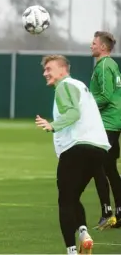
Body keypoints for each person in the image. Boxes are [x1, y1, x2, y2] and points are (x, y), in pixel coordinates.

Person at [35, 55, 111, 254]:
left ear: (62, 70)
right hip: (99, 149)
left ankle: (71, 250)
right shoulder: (81, 86)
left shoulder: (64, 86)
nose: (45, 73)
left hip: (77, 148)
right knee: (73, 197)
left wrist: (52, 125)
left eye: (49, 69)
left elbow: (73, 113)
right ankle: (84, 233)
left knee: (65, 201)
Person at [90, 31, 121, 229]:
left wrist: (85, 104)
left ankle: (107, 213)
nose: (90, 45)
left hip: (107, 124)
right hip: (114, 122)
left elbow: (106, 96)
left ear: (102, 47)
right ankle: (118, 213)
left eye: (93, 43)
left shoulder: (103, 66)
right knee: (110, 169)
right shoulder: (113, 65)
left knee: (97, 168)